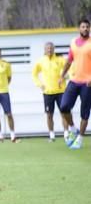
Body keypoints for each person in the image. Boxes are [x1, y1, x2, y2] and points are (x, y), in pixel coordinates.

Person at [59, 18, 91, 150]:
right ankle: (73, 128)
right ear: (79, 28)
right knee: (64, 106)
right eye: (83, 27)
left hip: (87, 84)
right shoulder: (73, 42)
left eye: (87, 27)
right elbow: (69, 61)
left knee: (85, 112)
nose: (85, 29)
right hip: (74, 81)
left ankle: (80, 139)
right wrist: (62, 75)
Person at [32, 42, 72, 142]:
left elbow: (71, 70)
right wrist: (39, 84)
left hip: (61, 91)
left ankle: (66, 134)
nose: (49, 50)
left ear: (54, 49)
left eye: (51, 48)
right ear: (44, 50)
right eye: (47, 48)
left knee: (64, 113)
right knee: (49, 115)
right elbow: (34, 74)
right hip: (48, 93)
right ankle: (52, 135)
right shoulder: (40, 61)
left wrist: (66, 77)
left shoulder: (60, 59)